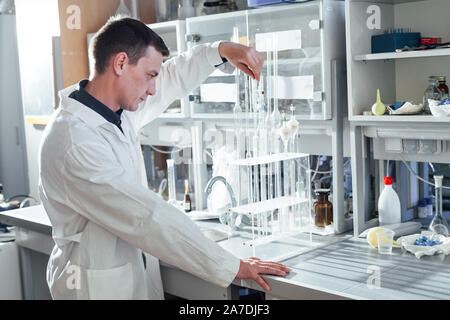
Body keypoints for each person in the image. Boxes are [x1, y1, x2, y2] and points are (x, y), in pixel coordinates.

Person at [38, 16, 290, 300]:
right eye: (150, 76)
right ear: (120, 63)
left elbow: (173, 77)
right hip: (92, 286)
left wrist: (219, 50)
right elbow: (147, 217)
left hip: (122, 274)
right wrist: (230, 265)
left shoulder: (113, 111)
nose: (153, 88)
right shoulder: (75, 140)